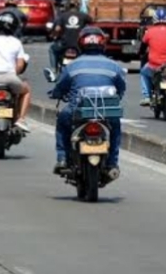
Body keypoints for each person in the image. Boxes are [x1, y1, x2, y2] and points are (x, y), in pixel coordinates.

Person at [49, 27, 126, 178]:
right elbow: (121, 88)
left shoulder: (72, 65)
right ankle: (112, 163)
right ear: (102, 44)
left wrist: (55, 94)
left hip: (77, 109)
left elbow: (60, 87)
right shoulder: (114, 66)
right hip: (105, 110)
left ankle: (62, 158)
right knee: (115, 127)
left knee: (62, 122)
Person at [139, 7, 166, 106]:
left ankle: (146, 96)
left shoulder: (149, 32)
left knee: (143, 73)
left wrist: (141, 53)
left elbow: (142, 48)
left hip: (154, 65)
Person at [46, 0, 93, 81]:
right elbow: (92, 22)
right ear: (78, 6)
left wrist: (53, 35)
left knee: (52, 49)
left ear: (67, 6)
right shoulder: (83, 15)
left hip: (64, 44)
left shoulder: (62, 16)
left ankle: (53, 70)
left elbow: (57, 29)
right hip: (79, 44)